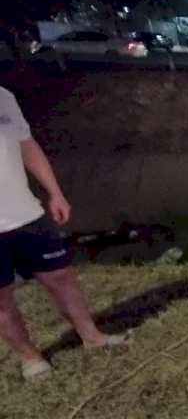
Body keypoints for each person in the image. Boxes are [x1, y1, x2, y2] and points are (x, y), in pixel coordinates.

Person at [0, 87, 129, 381]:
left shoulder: (4, 96)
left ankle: (92, 337)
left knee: (61, 277)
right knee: (2, 300)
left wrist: (55, 192)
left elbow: (27, 144)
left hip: (26, 214)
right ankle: (30, 357)